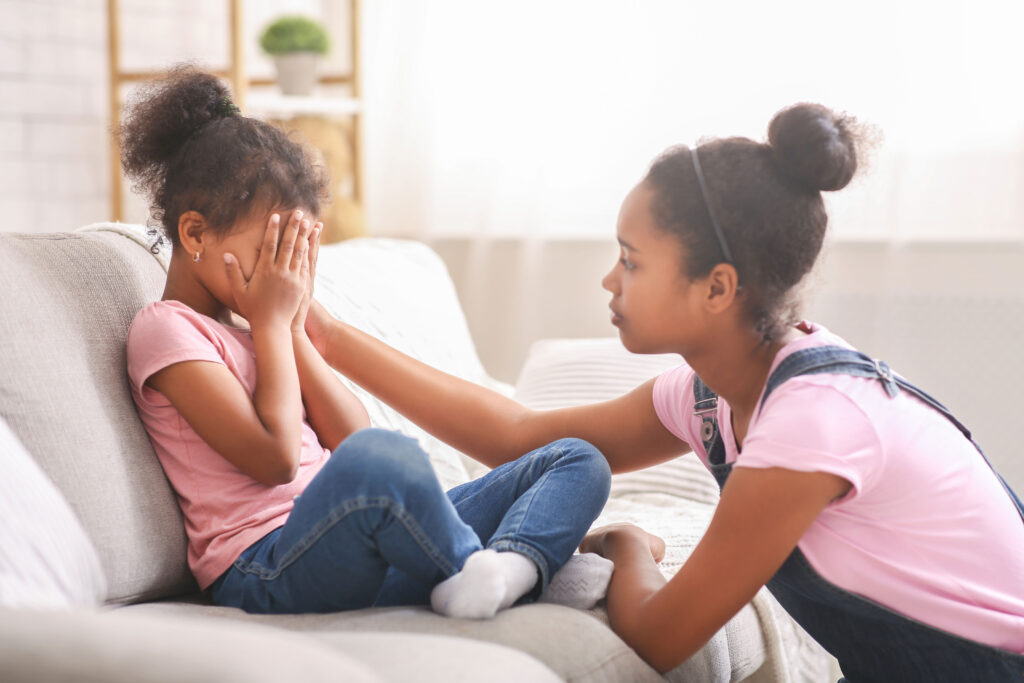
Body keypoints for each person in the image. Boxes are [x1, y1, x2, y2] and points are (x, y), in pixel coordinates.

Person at [302, 103, 1024, 680]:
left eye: (632, 261)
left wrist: (625, 545)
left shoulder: (811, 420)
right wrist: (326, 335)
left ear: (717, 287)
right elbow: (517, 436)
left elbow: (660, 632)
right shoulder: (712, 395)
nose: (609, 280)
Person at [121, 65, 613, 619]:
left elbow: (350, 433)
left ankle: (508, 571)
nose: (287, 276)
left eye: (298, 255)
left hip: (354, 544)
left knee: (577, 457)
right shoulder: (166, 329)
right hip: (267, 565)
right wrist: (271, 323)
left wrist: (288, 329)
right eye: (273, 252)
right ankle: (499, 571)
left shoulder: (260, 328)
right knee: (383, 460)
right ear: (194, 234)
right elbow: (278, 460)